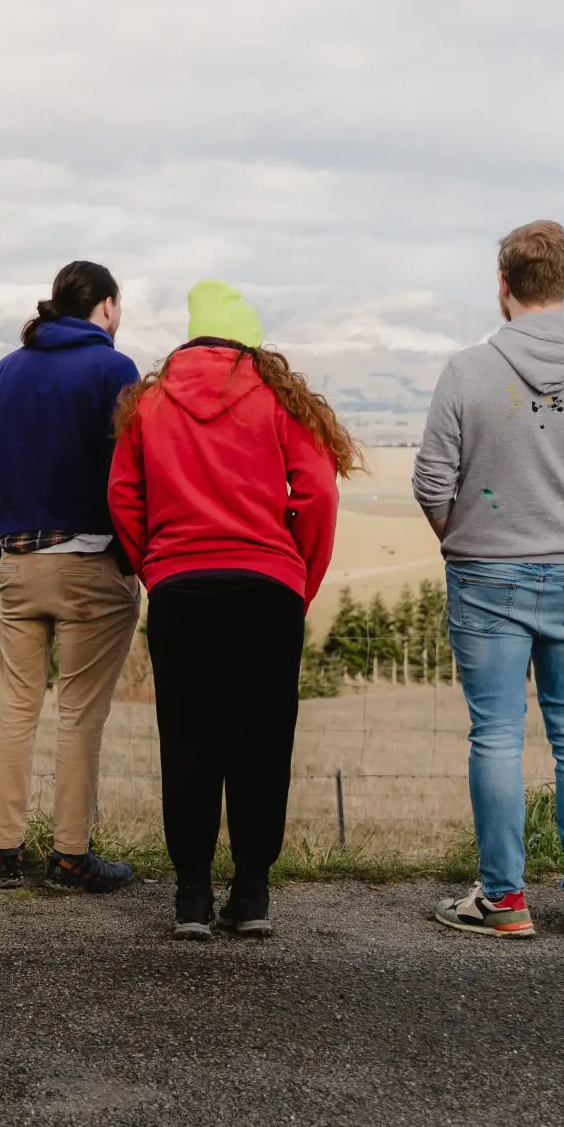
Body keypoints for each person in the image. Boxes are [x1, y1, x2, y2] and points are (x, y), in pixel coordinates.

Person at [415, 221, 564, 940]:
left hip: (484, 571)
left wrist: (464, 540)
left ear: (503, 285)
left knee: (495, 734)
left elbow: (432, 480)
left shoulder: (466, 370)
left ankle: (505, 900)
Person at [110, 281, 352, 939]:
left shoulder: (149, 404)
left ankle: (191, 895)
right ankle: (251, 893)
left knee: (187, 739)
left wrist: (156, 567)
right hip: (268, 590)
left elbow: (123, 496)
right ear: (248, 337)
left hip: (182, 590)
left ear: (192, 336)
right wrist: (298, 578)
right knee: (262, 742)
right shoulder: (279, 398)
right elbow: (319, 495)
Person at [0, 261, 144, 892]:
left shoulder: (8, 370)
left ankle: (4, 851)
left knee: (15, 710)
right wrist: (130, 556)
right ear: (108, 307)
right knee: (79, 716)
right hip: (92, 563)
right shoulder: (114, 370)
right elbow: (132, 470)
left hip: (19, 562)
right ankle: (70, 857)